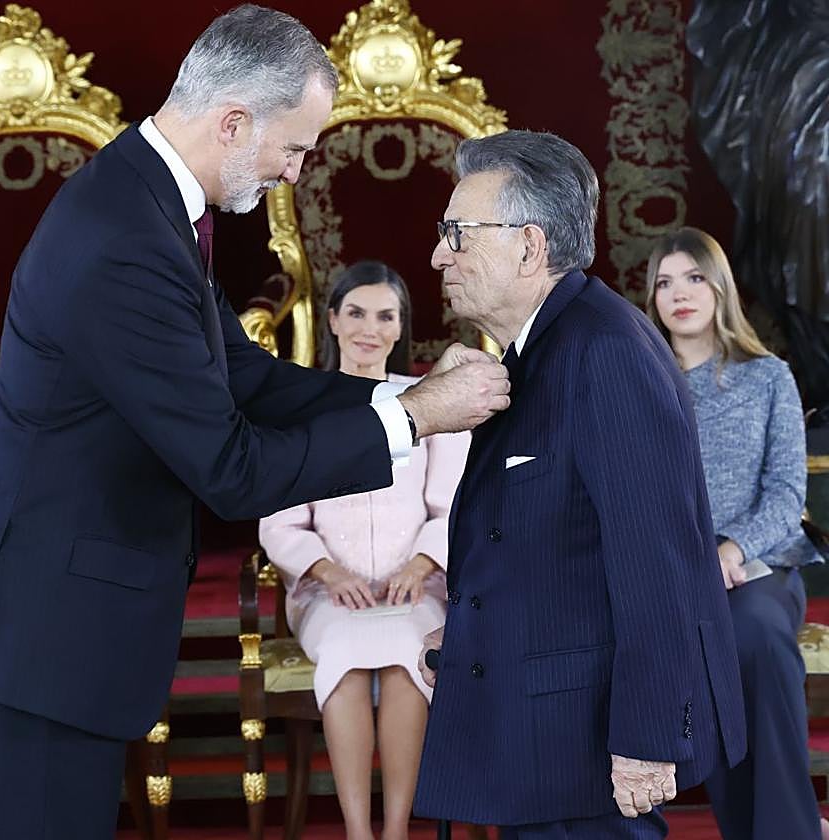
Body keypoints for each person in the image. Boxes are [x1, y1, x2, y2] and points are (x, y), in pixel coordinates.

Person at [0, 6, 511, 838]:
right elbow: (231, 470)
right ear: (234, 121)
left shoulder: (147, 199)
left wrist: (401, 395)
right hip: (34, 635)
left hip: (49, 623)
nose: (297, 173)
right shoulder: (125, 236)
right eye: (294, 147)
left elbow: (243, 376)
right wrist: (416, 418)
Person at [410, 130, 747, 839]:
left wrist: (648, 736)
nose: (440, 255)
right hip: (543, 724)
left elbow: (657, 561)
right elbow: (553, 538)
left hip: (586, 738)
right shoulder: (541, 345)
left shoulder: (605, 352)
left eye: (457, 235)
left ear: (529, 247)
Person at [260, 260, 468, 840]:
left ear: (401, 328)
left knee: (408, 651)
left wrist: (424, 562)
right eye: (355, 313)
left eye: (385, 315)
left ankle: (396, 829)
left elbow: (453, 508)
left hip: (417, 588)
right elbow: (278, 523)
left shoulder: (433, 404)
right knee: (348, 654)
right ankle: (358, 830)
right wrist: (326, 570)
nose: (368, 328)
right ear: (332, 320)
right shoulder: (300, 407)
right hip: (328, 594)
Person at [646, 226, 825, 840]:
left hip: (760, 570)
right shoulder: (640, 384)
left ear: (719, 287)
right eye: (665, 282)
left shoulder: (767, 376)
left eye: (694, 277)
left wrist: (733, 547)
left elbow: (785, 495)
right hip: (671, 572)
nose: (680, 294)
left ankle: (787, 831)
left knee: (751, 633)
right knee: (705, 638)